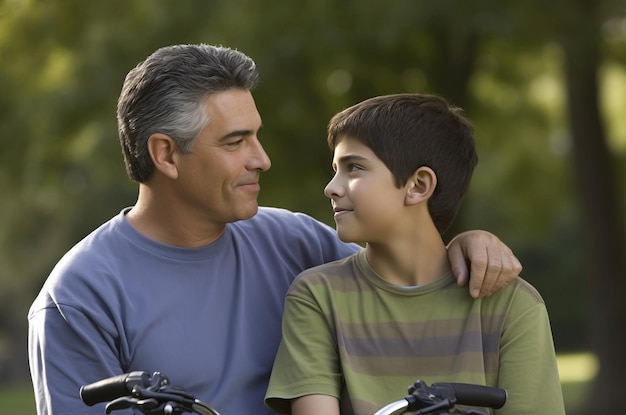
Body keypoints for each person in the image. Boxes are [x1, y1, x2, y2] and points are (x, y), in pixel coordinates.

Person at [28, 44, 522, 415]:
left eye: (256, 135)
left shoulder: (296, 242)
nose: (261, 159)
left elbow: (405, 269)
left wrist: (465, 242)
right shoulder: (78, 299)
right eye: (235, 141)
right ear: (166, 155)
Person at [264, 94, 565, 415]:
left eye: (354, 168)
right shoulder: (317, 296)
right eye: (336, 168)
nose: (331, 187)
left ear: (418, 185)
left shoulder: (512, 306)